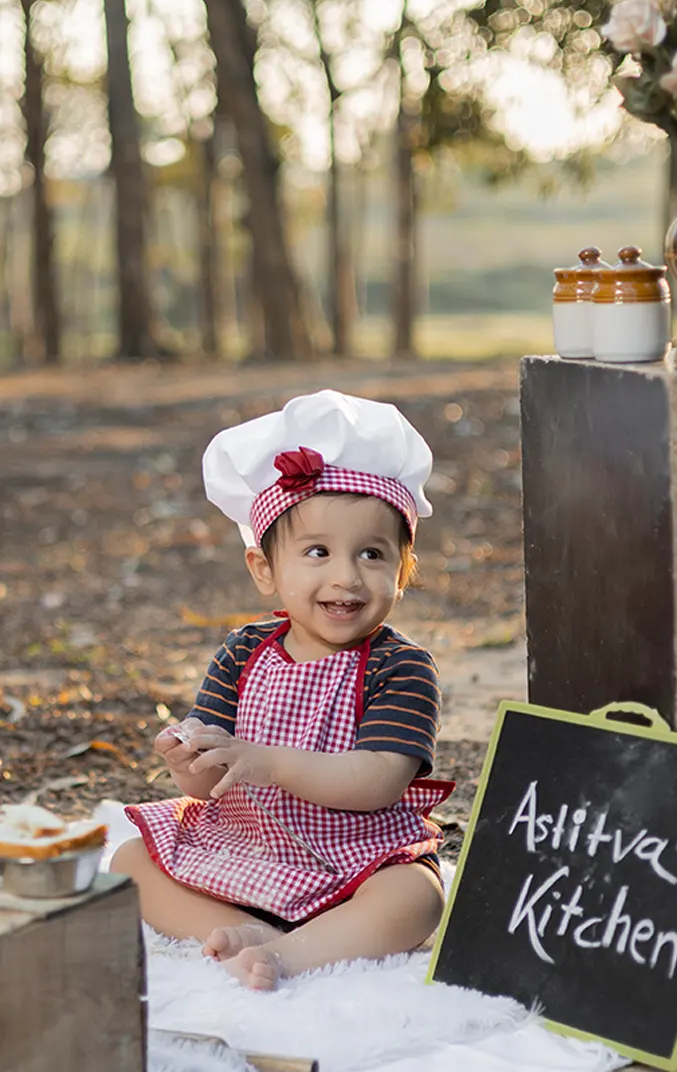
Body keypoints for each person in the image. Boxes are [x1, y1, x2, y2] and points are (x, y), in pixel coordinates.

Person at [110, 389, 454, 990]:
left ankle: (294, 954)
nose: (345, 576)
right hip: (248, 844)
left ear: (402, 570)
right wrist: (187, 759)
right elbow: (211, 779)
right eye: (317, 552)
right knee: (131, 860)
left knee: (417, 896)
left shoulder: (400, 668)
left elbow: (379, 782)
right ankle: (245, 928)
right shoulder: (245, 651)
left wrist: (268, 762)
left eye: (372, 554)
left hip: (353, 855)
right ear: (265, 570)